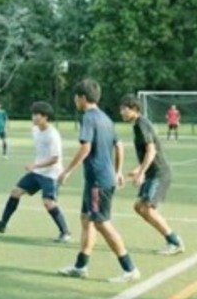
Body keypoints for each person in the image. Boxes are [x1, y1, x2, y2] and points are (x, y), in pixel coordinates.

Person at [57, 78, 140, 283]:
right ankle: (80, 266)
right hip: (100, 179)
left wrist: (67, 171)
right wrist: (118, 171)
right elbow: (119, 145)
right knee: (87, 219)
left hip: (98, 182)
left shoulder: (88, 118)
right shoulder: (106, 118)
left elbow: (85, 148)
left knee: (101, 222)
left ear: (82, 98)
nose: (75, 101)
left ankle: (129, 269)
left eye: (76, 98)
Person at [0, 100, 70, 242]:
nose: (34, 117)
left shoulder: (52, 135)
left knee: (48, 203)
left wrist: (35, 166)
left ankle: (65, 232)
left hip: (51, 173)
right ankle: (2, 224)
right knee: (15, 192)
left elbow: (55, 158)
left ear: (45, 117)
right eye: (33, 114)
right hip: (38, 171)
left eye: (37, 115)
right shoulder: (35, 130)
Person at [119, 96, 185, 255]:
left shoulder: (141, 124)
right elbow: (148, 153)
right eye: (121, 109)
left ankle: (174, 241)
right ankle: (171, 239)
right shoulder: (138, 125)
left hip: (159, 173)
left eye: (124, 109)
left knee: (147, 208)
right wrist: (138, 169)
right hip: (152, 173)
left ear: (134, 109)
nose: (121, 112)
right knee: (139, 207)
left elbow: (152, 150)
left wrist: (141, 173)